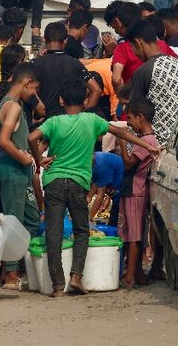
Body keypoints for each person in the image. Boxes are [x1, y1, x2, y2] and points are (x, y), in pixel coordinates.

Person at [27, 80, 159, 297]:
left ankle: (58, 286)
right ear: (85, 100)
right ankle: (76, 277)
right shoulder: (92, 120)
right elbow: (121, 133)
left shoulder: (54, 121)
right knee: (81, 230)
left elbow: (32, 137)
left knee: (54, 231)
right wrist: (147, 145)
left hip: (54, 182)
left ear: (61, 101)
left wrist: (39, 159)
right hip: (78, 182)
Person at [0, 63, 41, 290]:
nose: (34, 94)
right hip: (13, 169)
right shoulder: (12, 106)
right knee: (14, 221)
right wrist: (23, 158)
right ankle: (11, 273)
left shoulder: (13, 103)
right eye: (33, 89)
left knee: (31, 217)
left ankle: (20, 266)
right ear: (25, 83)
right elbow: (3, 140)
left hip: (20, 170)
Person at [126, 20, 178, 146]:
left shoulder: (143, 72)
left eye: (132, 47)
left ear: (138, 43)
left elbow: (134, 116)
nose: (134, 52)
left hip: (155, 146)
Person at [117, 98, 160, 289]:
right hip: (131, 190)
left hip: (136, 191)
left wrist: (121, 139)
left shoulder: (148, 141)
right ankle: (137, 274)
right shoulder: (145, 140)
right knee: (128, 232)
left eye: (131, 118)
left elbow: (128, 164)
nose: (128, 123)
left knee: (134, 236)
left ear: (140, 118)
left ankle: (130, 277)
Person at [32, 22, 100, 119]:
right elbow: (96, 89)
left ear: (44, 39)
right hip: (68, 122)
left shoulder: (34, 64)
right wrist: (86, 117)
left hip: (43, 123)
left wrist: (40, 112)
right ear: (66, 41)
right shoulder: (75, 64)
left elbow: (28, 91)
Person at [108, 2, 178, 88]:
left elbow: (116, 79)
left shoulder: (122, 48)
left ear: (118, 22)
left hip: (135, 97)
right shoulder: (160, 43)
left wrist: (123, 97)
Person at [89, 151, 124, 224]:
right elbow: (93, 188)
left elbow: (100, 196)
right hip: (115, 193)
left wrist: (89, 218)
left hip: (123, 195)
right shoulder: (96, 162)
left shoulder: (101, 164)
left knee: (117, 224)